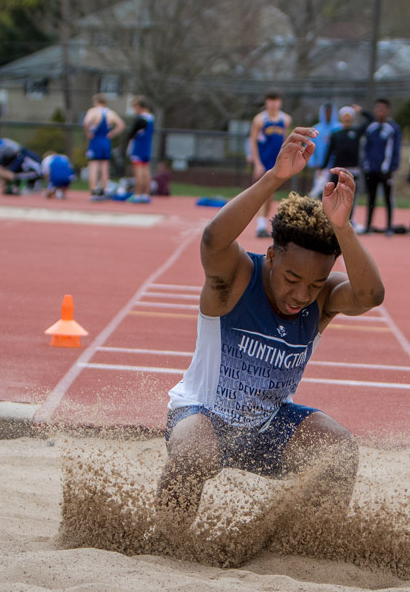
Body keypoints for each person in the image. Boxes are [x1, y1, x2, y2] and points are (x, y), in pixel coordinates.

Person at [156, 126, 385, 550]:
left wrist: (344, 229)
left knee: (338, 449)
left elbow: (372, 295)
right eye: (292, 279)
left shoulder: (322, 301)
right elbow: (212, 239)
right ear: (273, 256)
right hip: (202, 416)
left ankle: (308, 549)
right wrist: (274, 178)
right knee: (194, 457)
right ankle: (167, 544)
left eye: (314, 285)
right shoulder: (235, 279)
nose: (301, 295)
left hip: (267, 426)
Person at [248, 90, 292, 238]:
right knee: (262, 193)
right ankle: (260, 226)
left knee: (270, 194)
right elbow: (253, 140)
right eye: (270, 100)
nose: (273, 103)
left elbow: (285, 140)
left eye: (276, 100)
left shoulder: (285, 119)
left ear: (280, 102)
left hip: (276, 161)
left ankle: (263, 223)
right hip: (263, 160)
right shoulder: (260, 120)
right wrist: (256, 162)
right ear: (266, 102)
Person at [324, 105, 371, 231]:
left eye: (349, 116)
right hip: (337, 169)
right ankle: (330, 220)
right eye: (344, 116)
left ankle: (348, 220)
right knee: (334, 195)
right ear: (340, 118)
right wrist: (322, 168)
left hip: (352, 170)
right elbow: (329, 152)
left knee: (350, 197)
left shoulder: (356, 132)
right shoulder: (336, 134)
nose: (347, 118)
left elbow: (371, 120)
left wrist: (361, 111)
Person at [361, 98, 401, 236]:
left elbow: (395, 149)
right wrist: (365, 165)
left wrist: (392, 167)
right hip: (371, 169)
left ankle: (389, 226)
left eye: (383, 108)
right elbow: (366, 148)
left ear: (388, 110)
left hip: (386, 170)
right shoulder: (371, 127)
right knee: (371, 198)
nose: (380, 111)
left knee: (387, 198)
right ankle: (368, 225)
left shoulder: (393, 128)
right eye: (378, 108)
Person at [82, 93, 126, 200]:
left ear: (96, 101)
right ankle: (103, 189)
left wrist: (88, 133)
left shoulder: (93, 111)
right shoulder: (110, 113)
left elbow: (86, 122)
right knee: (105, 166)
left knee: (94, 165)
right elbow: (121, 125)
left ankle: (93, 190)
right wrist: (112, 133)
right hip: (105, 141)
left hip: (96, 140)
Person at [307, 102, 342, 199]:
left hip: (335, 167)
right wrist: (314, 164)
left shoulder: (339, 128)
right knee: (318, 191)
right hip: (320, 167)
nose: (328, 114)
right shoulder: (316, 129)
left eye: (330, 112)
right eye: (326, 112)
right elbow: (310, 146)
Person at [125, 95, 155, 204]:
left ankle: (137, 194)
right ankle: (146, 194)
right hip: (147, 148)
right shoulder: (151, 118)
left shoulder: (141, 119)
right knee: (146, 172)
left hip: (138, 148)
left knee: (139, 172)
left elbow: (131, 134)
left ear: (138, 106)